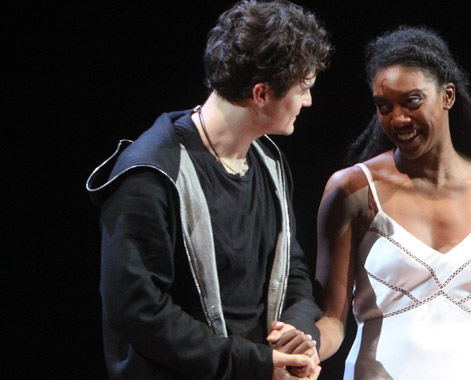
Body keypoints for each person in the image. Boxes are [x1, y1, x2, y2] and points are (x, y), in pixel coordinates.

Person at [86, 1, 332, 379]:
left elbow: (291, 267)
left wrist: (299, 331)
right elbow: (136, 310)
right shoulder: (151, 174)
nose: (308, 101)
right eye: (303, 89)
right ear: (262, 94)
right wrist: (253, 364)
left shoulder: (269, 161)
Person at [315, 26, 471, 379]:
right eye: (384, 106)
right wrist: (300, 349)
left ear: (447, 96)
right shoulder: (353, 189)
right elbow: (331, 318)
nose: (397, 119)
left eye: (411, 101)